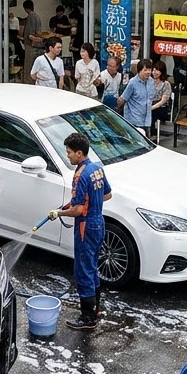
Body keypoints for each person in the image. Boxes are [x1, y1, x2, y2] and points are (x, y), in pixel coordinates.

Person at [46, 132, 112, 331]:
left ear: (79, 153)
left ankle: (87, 318)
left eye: (69, 152)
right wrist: (77, 203)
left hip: (85, 226)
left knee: (83, 270)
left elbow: (78, 210)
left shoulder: (80, 175)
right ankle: (95, 310)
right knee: (92, 267)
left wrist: (59, 212)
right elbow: (107, 194)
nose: (68, 156)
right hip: (98, 222)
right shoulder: (96, 169)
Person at [120, 59, 155, 131]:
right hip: (134, 121)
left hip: (147, 120)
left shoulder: (151, 81)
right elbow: (123, 99)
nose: (148, 72)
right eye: (145, 70)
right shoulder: (132, 83)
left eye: (149, 70)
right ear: (139, 71)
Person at [150, 65, 173, 134]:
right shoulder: (149, 82)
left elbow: (163, 101)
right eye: (153, 70)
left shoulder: (166, 84)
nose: (154, 72)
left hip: (161, 107)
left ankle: (151, 132)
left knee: (151, 113)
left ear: (162, 72)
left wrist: (152, 107)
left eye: (157, 70)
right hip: (150, 104)